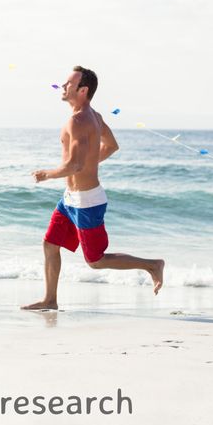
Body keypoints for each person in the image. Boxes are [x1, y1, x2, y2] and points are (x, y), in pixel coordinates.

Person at [24, 66, 164, 310]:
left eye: (68, 83)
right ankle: (50, 300)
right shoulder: (94, 116)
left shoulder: (78, 121)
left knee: (96, 261)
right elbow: (111, 146)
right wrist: (88, 163)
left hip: (88, 200)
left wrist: (46, 174)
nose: (63, 86)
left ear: (83, 90)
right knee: (50, 244)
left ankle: (152, 265)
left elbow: (74, 164)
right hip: (70, 199)